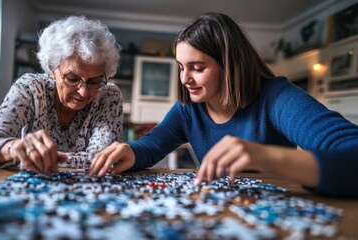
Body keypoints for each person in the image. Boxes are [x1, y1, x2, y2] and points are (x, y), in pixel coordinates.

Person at [89, 12, 358, 197]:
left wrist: (264, 157)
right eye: (181, 67)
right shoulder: (189, 109)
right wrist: (129, 151)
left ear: (229, 66)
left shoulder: (277, 98)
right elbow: (151, 147)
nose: (185, 79)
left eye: (197, 68)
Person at [0, 15, 123, 174]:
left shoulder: (108, 96)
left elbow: (103, 159)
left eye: (94, 82)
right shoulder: (30, 89)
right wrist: (12, 149)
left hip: (89, 192)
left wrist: (46, 158)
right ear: (52, 69)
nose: (83, 91)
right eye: (73, 78)